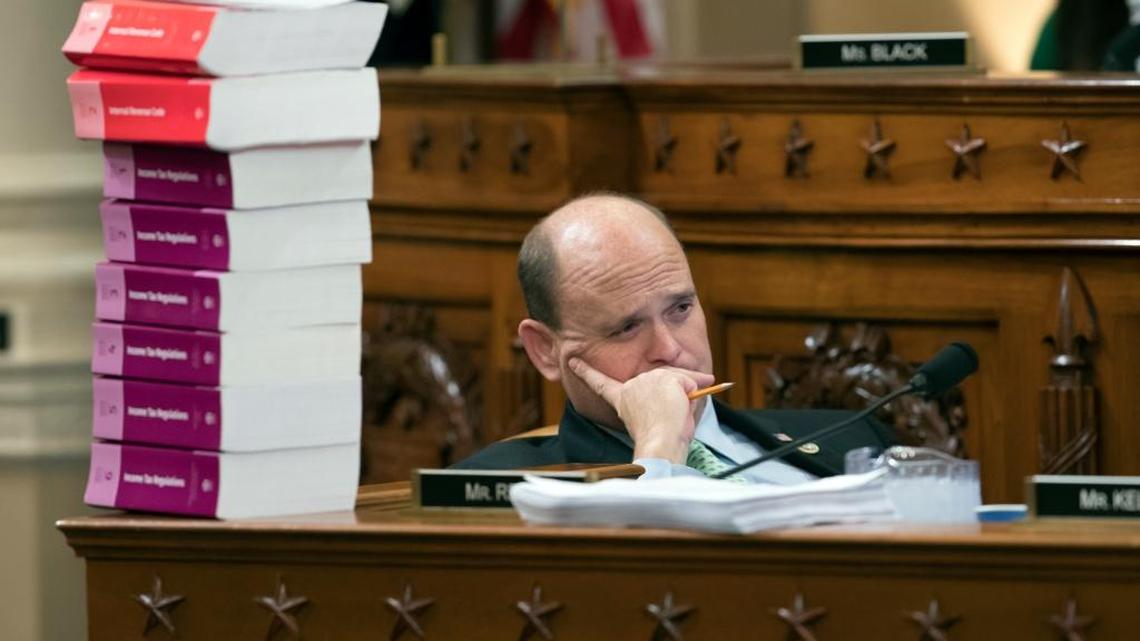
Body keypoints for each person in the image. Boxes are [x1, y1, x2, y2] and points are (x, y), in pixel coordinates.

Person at [453, 194, 894, 482]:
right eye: (627, 328)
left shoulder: (857, 435)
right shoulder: (497, 487)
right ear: (545, 351)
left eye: (680, 309)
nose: (669, 349)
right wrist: (659, 450)